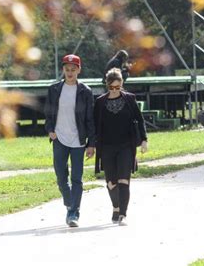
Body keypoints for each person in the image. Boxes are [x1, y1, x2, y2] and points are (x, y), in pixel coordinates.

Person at [44, 54, 96, 227]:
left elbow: (90, 119)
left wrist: (91, 144)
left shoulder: (85, 91)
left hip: (78, 140)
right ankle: (69, 201)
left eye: (73, 69)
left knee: (76, 178)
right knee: (61, 175)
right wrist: (50, 130)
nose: (70, 72)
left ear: (79, 70)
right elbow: (48, 112)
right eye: (67, 69)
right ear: (63, 70)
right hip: (59, 138)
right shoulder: (54, 90)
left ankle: (73, 213)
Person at [94, 68, 148, 226]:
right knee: (111, 182)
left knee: (124, 180)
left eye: (118, 87)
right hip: (106, 147)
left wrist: (144, 140)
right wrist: (91, 145)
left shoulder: (130, 99)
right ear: (107, 85)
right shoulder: (100, 102)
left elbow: (140, 119)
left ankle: (123, 213)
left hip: (126, 146)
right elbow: (95, 125)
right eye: (112, 87)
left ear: (122, 85)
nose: (115, 90)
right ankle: (116, 207)